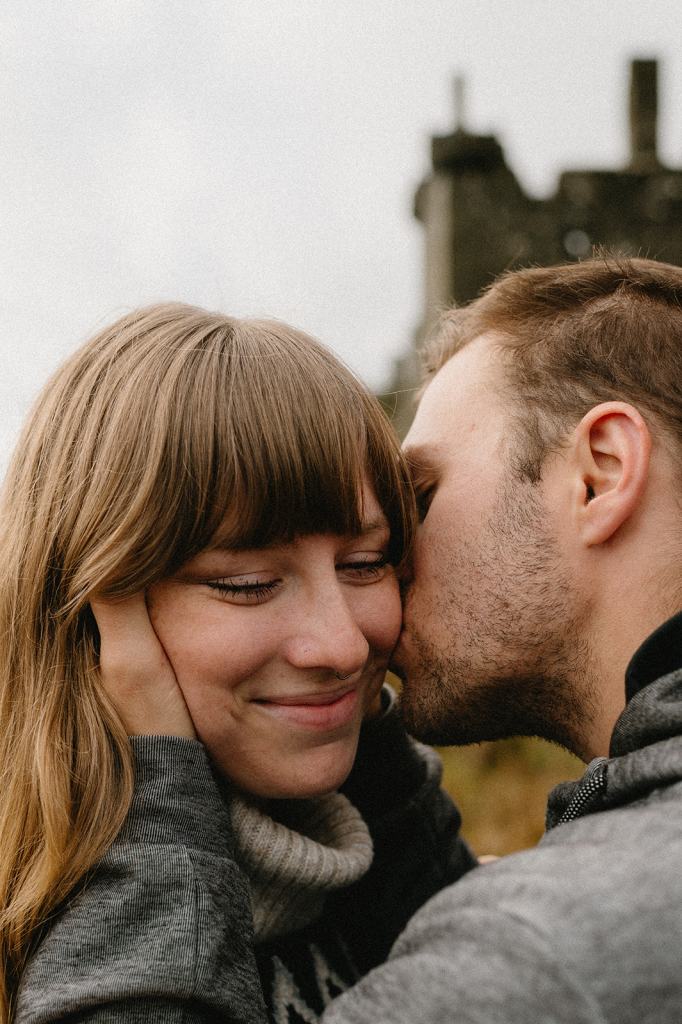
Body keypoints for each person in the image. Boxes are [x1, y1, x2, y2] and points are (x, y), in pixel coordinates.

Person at [0, 304, 475, 1024]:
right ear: (94, 610)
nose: (343, 645)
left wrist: (391, 784)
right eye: (248, 584)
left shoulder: (374, 856)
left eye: (366, 564)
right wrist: (157, 794)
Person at [321, 255, 682, 1024]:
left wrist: (154, 803)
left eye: (420, 496)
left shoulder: (540, 953)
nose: (384, 560)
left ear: (601, 473)